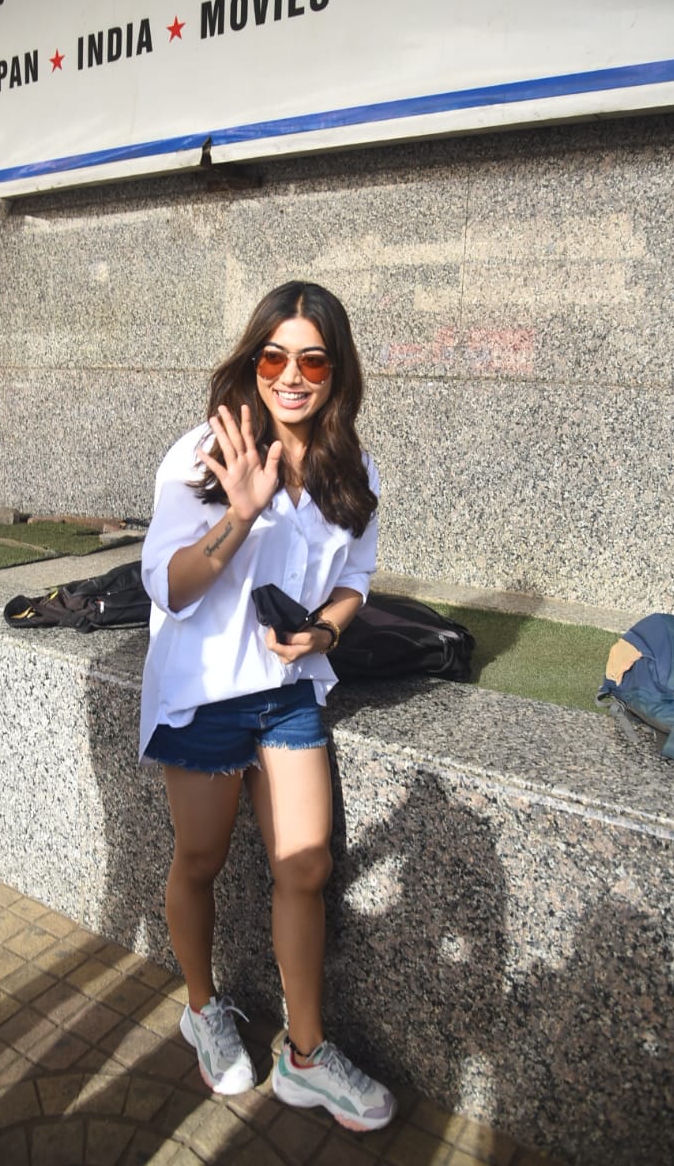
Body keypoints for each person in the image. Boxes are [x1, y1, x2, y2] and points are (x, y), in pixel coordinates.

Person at [139, 280, 397, 1132]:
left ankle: (305, 1056)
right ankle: (202, 1007)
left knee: (305, 866)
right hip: (205, 696)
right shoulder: (200, 456)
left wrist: (324, 632)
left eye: (312, 361)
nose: (291, 375)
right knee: (200, 860)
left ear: (336, 372)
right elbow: (170, 587)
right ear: (253, 362)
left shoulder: (350, 468)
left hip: (288, 694)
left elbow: (354, 581)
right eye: (274, 356)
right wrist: (241, 514)